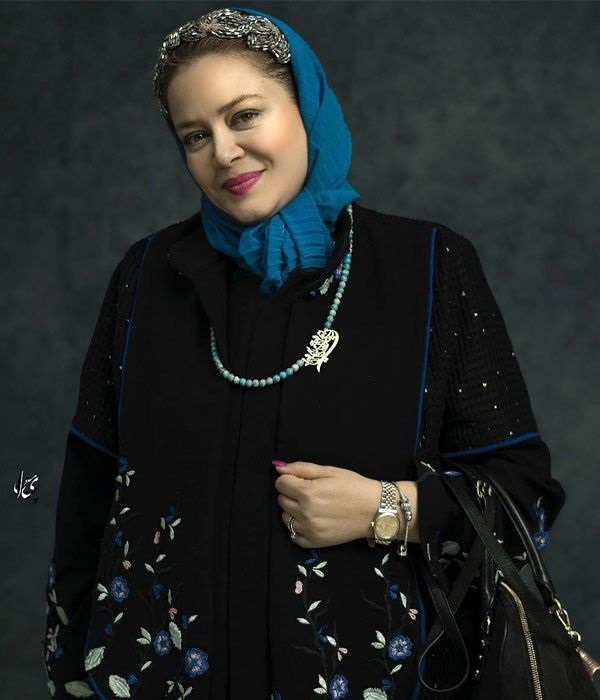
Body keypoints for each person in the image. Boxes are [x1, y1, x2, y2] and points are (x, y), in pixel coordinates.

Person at [42, 6, 566, 700]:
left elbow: (525, 497)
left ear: (305, 106)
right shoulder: (147, 277)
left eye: (244, 115)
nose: (223, 152)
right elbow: (86, 499)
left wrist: (388, 508)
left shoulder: (428, 269)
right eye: (195, 135)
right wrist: (72, 677)